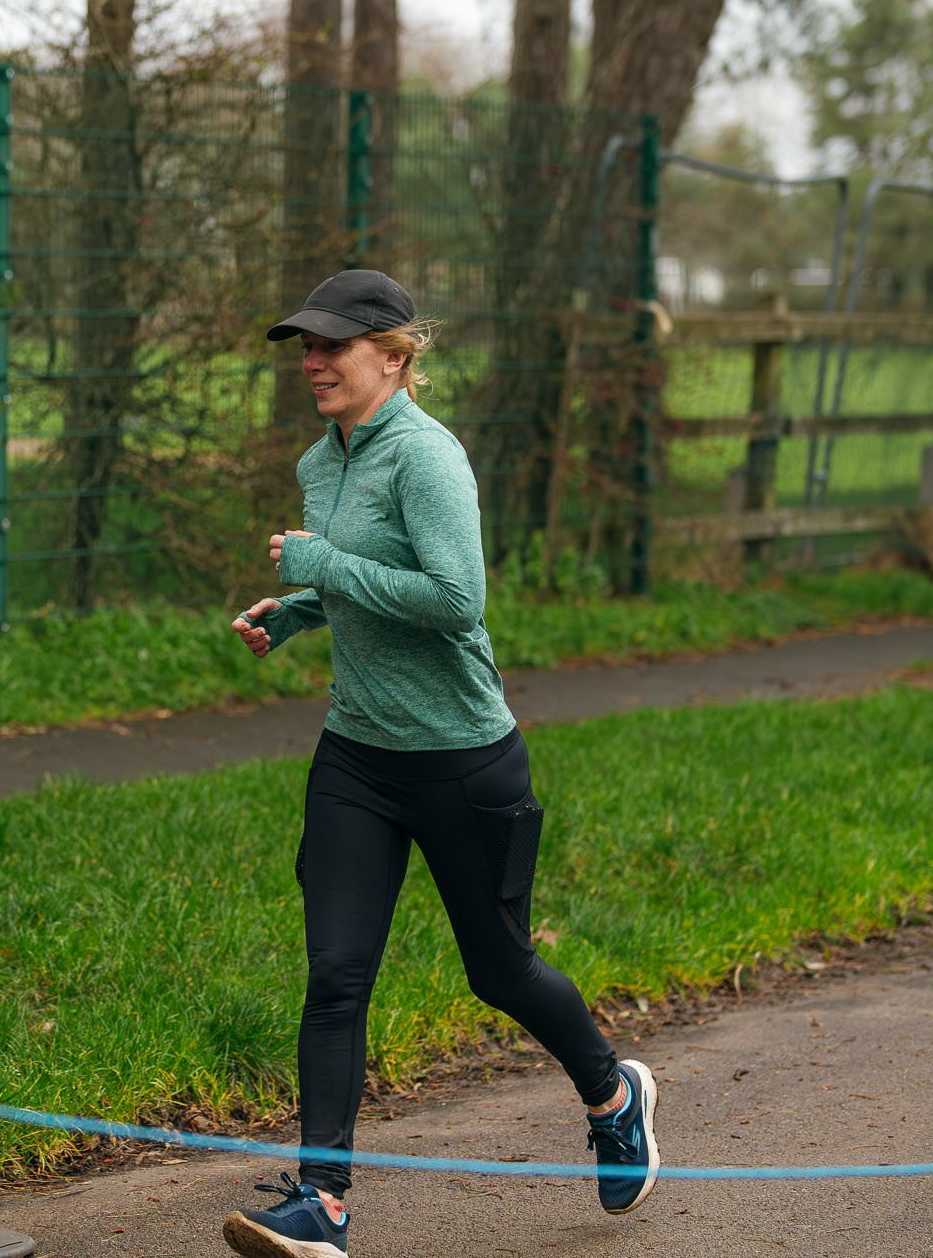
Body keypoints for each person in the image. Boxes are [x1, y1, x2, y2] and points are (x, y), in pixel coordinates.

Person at [220, 270, 660, 1258]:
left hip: (461, 761)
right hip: (356, 759)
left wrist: (319, 568)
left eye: (332, 344)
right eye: (304, 344)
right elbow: (359, 586)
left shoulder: (427, 458)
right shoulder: (319, 460)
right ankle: (321, 1204)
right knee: (335, 973)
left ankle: (610, 1091)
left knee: (498, 970)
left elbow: (455, 599)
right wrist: (296, 612)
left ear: (393, 354)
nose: (312, 360)